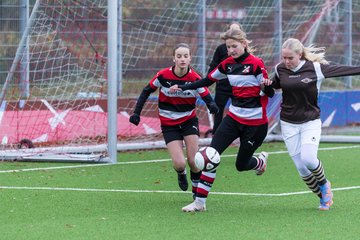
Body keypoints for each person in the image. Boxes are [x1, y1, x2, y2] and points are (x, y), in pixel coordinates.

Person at [170, 28, 274, 212]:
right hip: (233, 119)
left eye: (234, 46)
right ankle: (199, 203)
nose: (231, 50)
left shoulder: (256, 64)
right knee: (211, 155)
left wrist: (266, 87)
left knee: (241, 165)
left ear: (244, 44)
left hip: (256, 124)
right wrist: (185, 86)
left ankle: (260, 163)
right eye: (228, 47)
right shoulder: (227, 64)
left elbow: (270, 92)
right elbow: (207, 81)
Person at [265, 37, 360, 210]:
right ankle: (323, 197)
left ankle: (324, 184)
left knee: (308, 159)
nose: (286, 61)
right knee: (302, 169)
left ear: (299, 54)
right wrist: (265, 86)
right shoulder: (280, 69)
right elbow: (271, 90)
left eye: (290, 58)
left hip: (310, 121)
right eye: (284, 58)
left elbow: (345, 70)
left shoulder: (315, 68)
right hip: (288, 123)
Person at [129, 43, 219, 197]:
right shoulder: (163, 76)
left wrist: (211, 105)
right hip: (169, 125)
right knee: (180, 163)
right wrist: (137, 113)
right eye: (179, 56)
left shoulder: (195, 78)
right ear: (174, 59)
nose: (182, 59)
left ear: (190, 58)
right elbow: (146, 91)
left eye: (185, 56)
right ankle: (181, 173)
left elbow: (206, 95)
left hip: (188, 121)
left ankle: (196, 192)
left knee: (194, 161)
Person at [208, 21, 243, 135]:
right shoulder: (221, 49)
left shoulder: (244, 50)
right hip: (222, 86)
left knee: (239, 109)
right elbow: (214, 66)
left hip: (238, 86)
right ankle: (216, 135)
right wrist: (206, 83)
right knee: (218, 110)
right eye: (231, 30)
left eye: (236, 31)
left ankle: (239, 132)